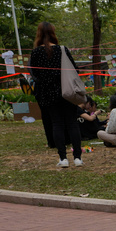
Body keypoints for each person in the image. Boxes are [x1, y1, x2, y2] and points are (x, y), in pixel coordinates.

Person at [28, 22, 83, 168]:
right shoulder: (62, 50)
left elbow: (34, 74)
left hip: (47, 93)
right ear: (53, 32)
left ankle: (63, 158)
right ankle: (77, 157)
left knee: (56, 124)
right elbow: (74, 69)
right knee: (72, 123)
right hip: (67, 91)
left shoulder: (35, 53)